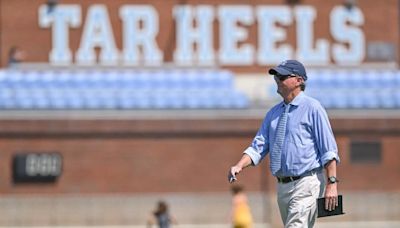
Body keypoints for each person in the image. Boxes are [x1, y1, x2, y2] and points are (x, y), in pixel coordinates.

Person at [228, 60, 340, 227]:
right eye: (276, 76)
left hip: (307, 183)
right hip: (282, 187)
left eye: (282, 76)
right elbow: (258, 146)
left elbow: (328, 150)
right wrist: (239, 165)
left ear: (299, 80)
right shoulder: (273, 113)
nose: (277, 80)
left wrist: (332, 183)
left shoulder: (313, 108)